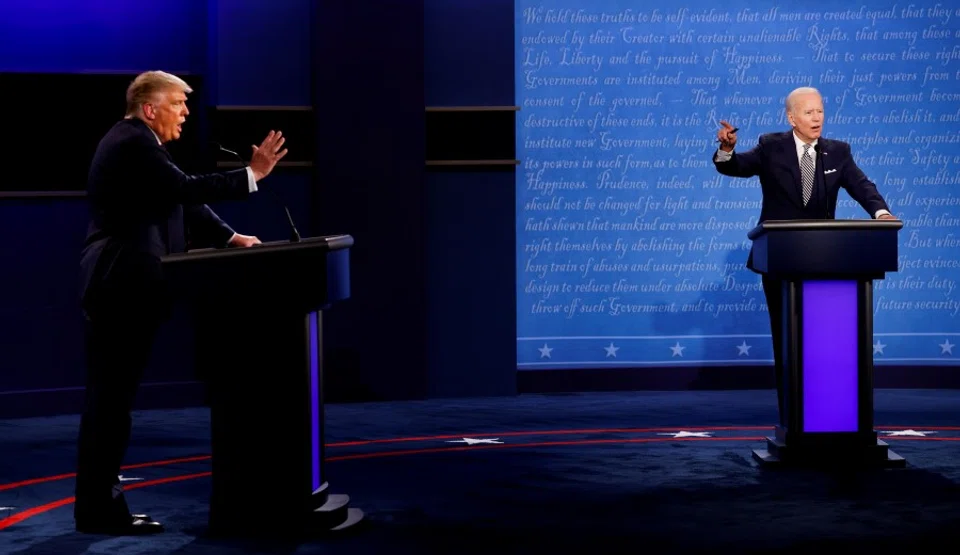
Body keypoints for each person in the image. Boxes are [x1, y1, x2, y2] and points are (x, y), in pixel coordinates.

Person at [75, 70, 288, 535]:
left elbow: (182, 202)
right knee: (111, 402)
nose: (186, 112)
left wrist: (231, 237)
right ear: (150, 108)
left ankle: (98, 507)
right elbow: (186, 189)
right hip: (119, 284)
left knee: (113, 401)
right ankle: (98, 510)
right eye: (178, 103)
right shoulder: (133, 143)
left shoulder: (142, 145)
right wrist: (251, 175)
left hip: (125, 283)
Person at [712, 86, 897, 426]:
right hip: (780, 259)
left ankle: (830, 419)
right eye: (809, 112)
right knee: (788, 340)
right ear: (792, 117)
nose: (816, 118)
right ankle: (793, 422)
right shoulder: (771, 147)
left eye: (820, 112)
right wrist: (726, 149)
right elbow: (735, 167)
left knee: (825, 344)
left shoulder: (837, 152)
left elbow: (861, 186)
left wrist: (881, 213)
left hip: (827, 261)